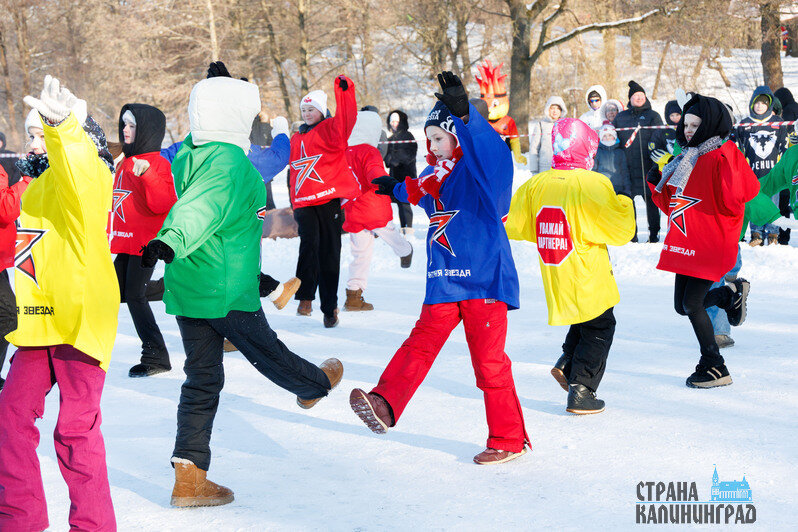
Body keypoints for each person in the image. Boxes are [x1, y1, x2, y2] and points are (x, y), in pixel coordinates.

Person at [140, 63, 343, 507]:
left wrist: (218, 86)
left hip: (190, 290)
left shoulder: (190, 155)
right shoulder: (231, 164)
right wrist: (170, 240)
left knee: (201, 379)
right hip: (226, 288)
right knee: (268, 353)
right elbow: (199, 209)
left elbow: (190, 198)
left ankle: (189, 477)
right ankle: (314, 386)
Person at [350, 72, 528, 465]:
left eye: (438, 138)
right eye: (428, 139)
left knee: (489, 363)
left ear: (458, 138)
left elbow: (493, 155)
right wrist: (388, 186)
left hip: (482, 279)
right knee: (420, 343)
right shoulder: (434, 176)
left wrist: (466, 117)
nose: (431, 146)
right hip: (444, 280)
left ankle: (508, 439)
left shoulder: (480, 173)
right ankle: (383, 403)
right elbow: (414, 189)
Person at [0, 75, 119, 530]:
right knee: (10, 417)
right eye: (31, 134)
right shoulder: (37, 185)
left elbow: (80, 168)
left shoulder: (84, 182)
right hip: (39, 323)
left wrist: (65, 128)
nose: (32, 144)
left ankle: (93, 525)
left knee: (74, 431)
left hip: (81, 321)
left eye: (38, 135)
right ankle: (19, 520)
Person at [507, 118, 635, 414]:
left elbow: (518, 227)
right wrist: (625, 204)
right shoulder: (592, 183)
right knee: (601, 325)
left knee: (584, 317)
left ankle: (567, 363)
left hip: (556, 268)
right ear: (587, 149)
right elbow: (618, 231)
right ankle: (582, 390)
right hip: (587, 270)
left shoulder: (535, 184)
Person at [648, 94, 758, 388]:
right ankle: (728, 294)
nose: (688, 129)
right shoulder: (686, 158)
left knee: (692, 303)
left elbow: (740, 197)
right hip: (686, 241)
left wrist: (729, 164)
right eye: (686, 124)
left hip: (710, 242)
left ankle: (714, 365)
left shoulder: (722, 155)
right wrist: (654, 182)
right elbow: (677, 207)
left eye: (696, 124)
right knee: (681, 306)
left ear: (710, 124)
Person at [111, 103, 177, 378]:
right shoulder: (124, 160)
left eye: (132, 125)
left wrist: (148, 174)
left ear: (146, 130)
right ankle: (170, 288)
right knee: (115, 292)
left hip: (144, 243)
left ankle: (156, 356)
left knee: (135, 296)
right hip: (125, 241)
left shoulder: (157, 162)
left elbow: (165, 203)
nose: (126, 130)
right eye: (124, 124)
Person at [289, 76, 360, 327]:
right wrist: (294, 201)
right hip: (304, 202)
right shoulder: (296, 138)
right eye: (304, 110)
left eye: (312, 109)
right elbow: (294, 172)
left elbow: (347, 119)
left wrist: (344, 93)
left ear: (321, 110)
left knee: (329, 251)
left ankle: (329, 307)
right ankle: (305, 296)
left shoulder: (331, 129)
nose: (307, 114)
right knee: (308, 245)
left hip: (328, 199)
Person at [343, 110, 412, 311]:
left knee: (360, 253)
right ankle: (406, 251)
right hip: (373, 206)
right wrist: (387, 183)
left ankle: (353, 296)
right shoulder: (369, 151)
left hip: (353, 209)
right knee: (390, 234)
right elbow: (374, 171)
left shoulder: (343, 152)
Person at [734, 85, 789, 245]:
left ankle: (773, 235)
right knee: (754, 203)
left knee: (772, 202)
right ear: (752, 104)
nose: (760, 106)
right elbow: (738, 147)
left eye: (764, 103)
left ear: (769, 105)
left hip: (773, 173)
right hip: (751, 173)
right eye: (757, 103)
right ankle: (756, 234)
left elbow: (784, 146)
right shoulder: (744, 124)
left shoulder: (778, 123)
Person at [613, 80, 665, 243]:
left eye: (641, 95)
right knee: (628, 203)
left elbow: (660, 136)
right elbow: (615, 139)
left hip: (648, 166)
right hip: (627, 168)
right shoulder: (621, 117)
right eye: (635, 96)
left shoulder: (653, 116)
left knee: (651, 202)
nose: (639, 98)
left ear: (645, 97)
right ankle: (631, 234)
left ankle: (654, 234)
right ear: (630, 99)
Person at [384, 109, 417, 235]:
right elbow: (386, 159)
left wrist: (395, 159)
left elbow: (409, 155)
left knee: (404, 203)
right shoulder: (390, 138)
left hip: (406, 175)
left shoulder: (408, 136)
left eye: (396, 122)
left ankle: (407, 229)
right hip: (394, 176)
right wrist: (390, 159)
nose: (394, 124)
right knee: (397, 202)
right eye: (392, 121)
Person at [528, 96, 567, 173]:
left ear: (562, 110)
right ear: (547, 109)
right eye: (552, 108)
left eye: (558, 108)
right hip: (545, 168)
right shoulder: (540, 125)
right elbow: (534, 148)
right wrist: (534, 170)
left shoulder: (566, 125)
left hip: (562, 168)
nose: (555, 111)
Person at [594, 123, 631, 197]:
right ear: (601, 138)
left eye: (610, 135)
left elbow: (625, 172)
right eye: (605, 136)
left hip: (618, 187)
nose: (607, 138)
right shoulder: (597, 152)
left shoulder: (620, 152)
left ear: (614, 136)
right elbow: (594, 171)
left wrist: (627, 189)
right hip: (602, 187)